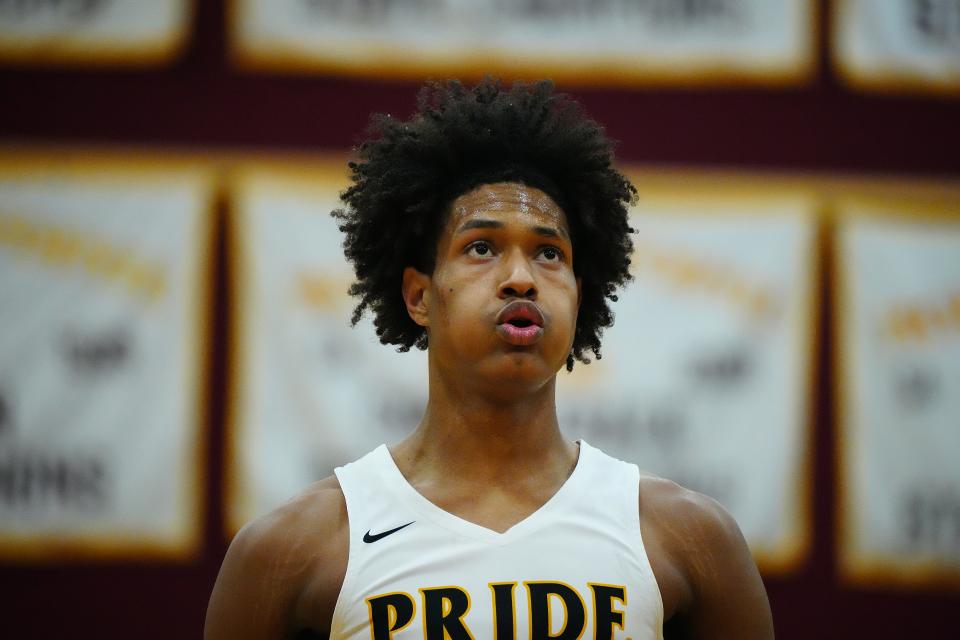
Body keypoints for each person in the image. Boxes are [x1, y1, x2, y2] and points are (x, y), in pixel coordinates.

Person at [205, 78, 774, 640]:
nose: (521, 278)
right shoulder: (297, 547)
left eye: (549, 253)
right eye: (482, 247)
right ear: (419, 296)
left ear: (579, 295)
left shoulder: (688, 538)